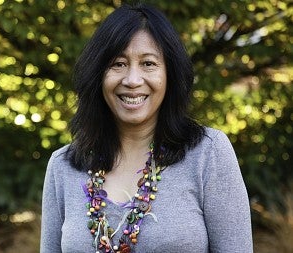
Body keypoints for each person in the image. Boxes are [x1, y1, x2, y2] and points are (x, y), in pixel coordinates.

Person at [40, 3, 253, 253]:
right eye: (118, 64)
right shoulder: (63, 166)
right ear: (98, 75)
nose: (132, 80)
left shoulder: (208, 153)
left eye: (148, 64)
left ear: (169, 74)